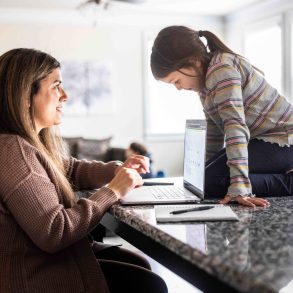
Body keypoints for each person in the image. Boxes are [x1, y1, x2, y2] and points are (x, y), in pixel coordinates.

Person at [0, 48, 168, 293]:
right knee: (149, 285)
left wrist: (114, 170)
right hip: (34, 277)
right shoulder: (13, 151)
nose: (65, 95)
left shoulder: (25, 143)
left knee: (138, 263)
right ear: (26, 95)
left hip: (40, 260)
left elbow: (69, 168)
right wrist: (113, 191)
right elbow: (55, 232)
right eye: (56, 86)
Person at [150, 25, 293, 207]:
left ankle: (289, 182)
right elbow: (214, 132)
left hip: (284, 140)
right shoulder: (204, 85)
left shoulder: (222, 70)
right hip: (261, 140)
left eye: (176, 81)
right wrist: (201, 174)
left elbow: (235, 128)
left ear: (193, 62)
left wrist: (240, 187)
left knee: (213, 180)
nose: (178, 88)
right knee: (207, 180)